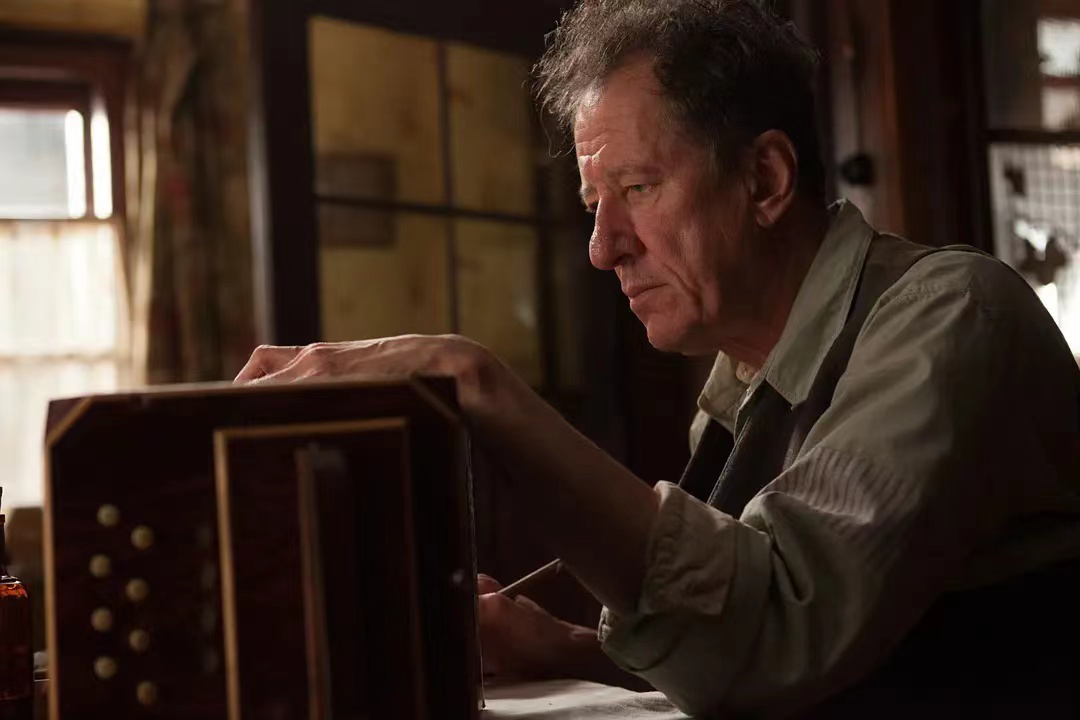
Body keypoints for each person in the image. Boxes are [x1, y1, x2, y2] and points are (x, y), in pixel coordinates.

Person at [237, 0, 1080, 715]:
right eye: (594, 204)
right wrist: (561, 645)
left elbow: (780, 628)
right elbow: (753, 663)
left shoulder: (953, 316)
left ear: (765, 179)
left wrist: (477, 383)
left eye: (637, 189)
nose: (603, 248)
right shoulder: (740, 387)